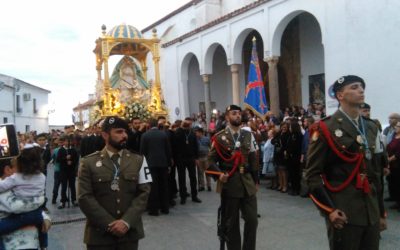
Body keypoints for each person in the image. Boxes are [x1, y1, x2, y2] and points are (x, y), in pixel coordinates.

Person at [305, 75, 387, 250]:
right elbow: (312, 174)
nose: (361, 90)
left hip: (370, 209)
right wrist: (329, 210)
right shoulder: (325, 128)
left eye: (362, 87)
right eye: (354, 87)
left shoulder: (371, 127)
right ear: (340, 95)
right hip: (343, 209)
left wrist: (381, 212)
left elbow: (376, 173)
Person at [78, 116, 151, 250]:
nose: (124, 135)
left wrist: (126, 222)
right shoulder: (88, 163)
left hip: (129, 234)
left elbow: (144, 193)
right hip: (99, 235)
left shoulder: (138, 160)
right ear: (105, 135)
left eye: (125, 132)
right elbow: (84, 197)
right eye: (118, 132)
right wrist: (109, 223)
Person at [208, 104, 258, 250]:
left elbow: (254, 158)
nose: (237, 116)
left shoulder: (248, 135)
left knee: (252, 220)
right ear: (227, 117)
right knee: (232, 223)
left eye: (239, 113)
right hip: (230, 183)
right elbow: (209, 161)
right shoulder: (219, 137)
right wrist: (219, 175)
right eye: (234, 113)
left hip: (247, 183)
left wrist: (256, 181)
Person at [0, 146, 49, 249]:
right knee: (42, 229)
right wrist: (43, 214)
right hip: (35, 215)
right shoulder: (42, 176)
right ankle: (44, 245)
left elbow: (16, 206)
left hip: (22, 230)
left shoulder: (14, 179)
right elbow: (39, 198)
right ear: (7, 169)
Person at [140, 118, 172, 216]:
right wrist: (169, 164)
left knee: (153, 187)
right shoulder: (163, 134)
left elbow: (142, 152)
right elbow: (168, 150)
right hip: (163, 163)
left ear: (148, 125)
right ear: (157, 125)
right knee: (164, 186)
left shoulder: (145, 135)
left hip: (151, 164)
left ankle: (154, 209)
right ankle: (165, 208)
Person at [173, 118, 202, 204]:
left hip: (191, 158)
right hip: (181, 158)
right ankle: (183, 196)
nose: (188, 126)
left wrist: (196, 158)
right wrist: (181, 127)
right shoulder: (178, 132)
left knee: (193, 178)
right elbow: (175, 143)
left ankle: (194, 196)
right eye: (187, 124)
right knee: (182, 178)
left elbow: (196, 146)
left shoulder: (192, 133)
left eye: (189, 124)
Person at [57, 134, 79, 209]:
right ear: (64, 142)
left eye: (68, 141)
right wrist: (65, 158)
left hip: (71, 171)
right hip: (63, 171)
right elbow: (58, 160)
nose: (67, 143)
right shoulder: (61, 150)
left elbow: (76, 159)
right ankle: (62, 201)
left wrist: (71, 162)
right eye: (66, 141)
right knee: (64, 186)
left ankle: (74, 200)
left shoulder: (73, 150)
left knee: (72, 186)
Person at [195, 127, 211, 192]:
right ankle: (202, 186)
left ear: (201, 132)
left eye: (197, 132)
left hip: (206, 157)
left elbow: (211, 146)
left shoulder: (207, 139)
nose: (196, 133)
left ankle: (209, 185)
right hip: (199, 157)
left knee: (208, 172)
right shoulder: (195, 139)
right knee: (200, 172)